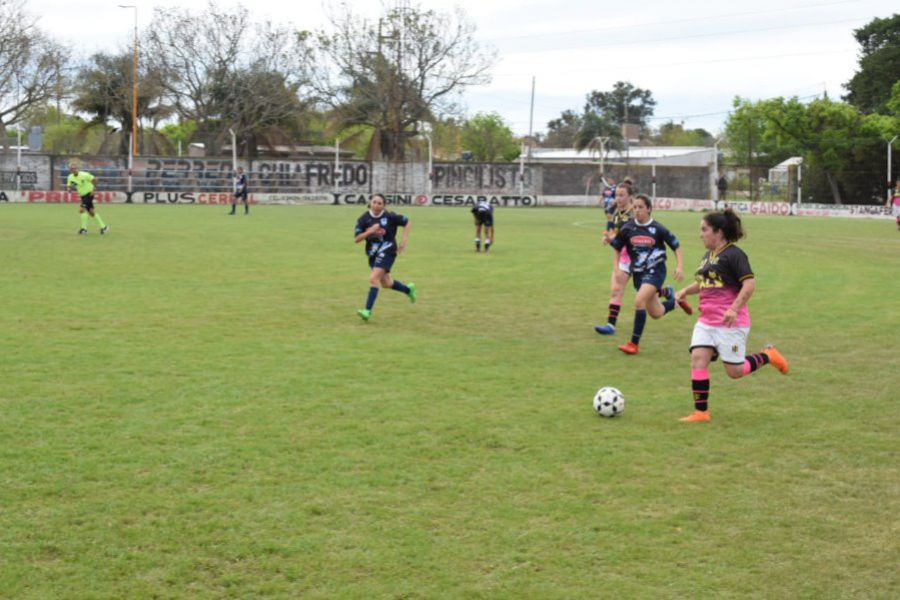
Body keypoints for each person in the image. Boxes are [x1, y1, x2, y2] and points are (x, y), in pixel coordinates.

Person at [674, 209, 789, 423]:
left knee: (735, 371)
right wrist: (684, 292)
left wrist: (734, 308)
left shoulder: (735, 254)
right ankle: (701, 412)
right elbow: (704, 283)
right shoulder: (707, 256)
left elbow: (749, 283)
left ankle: (768, 355)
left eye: (704, 230)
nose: (701, 234)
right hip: (706, 322)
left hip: (731, 325)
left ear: (718, 232)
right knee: (698, 360)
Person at [608, 194, 691, 355]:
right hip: (638, 274)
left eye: (640, 207)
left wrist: (679, 267)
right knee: (656, 312)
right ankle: (677, 301)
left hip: (656, 272)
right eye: (635, 207)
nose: (637, 210)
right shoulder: (627, 228)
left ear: (649, 209)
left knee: (639, 300)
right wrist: (617, 268)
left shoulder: (659, 228)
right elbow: (616, 247)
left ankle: (634, 344)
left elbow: (676, 246)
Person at [354, 194, 417, 321]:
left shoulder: (390, 216)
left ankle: (367, 311)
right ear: (370, 203)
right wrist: (370, 231)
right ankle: (408, 290)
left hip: (388, 250)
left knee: (373, 279)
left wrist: (404, 240)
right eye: (374, 202)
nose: (376, 205)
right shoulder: (363, 219)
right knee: (386, 283)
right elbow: (357, 239)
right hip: (373, 253)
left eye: (379, 203)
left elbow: (407, 221)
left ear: (384, 205)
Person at [594, 182, 635, 336]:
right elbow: (618, 238)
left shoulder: (636, 214)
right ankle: (611, 325)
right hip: (624, 257)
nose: (618, 198)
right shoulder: (618, 214)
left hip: (640, 259)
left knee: (652, 305)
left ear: (630, 196)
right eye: (616, 195)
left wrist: (613, 240)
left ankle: (667, 293)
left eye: (621, 195)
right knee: (616, 290)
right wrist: (610, 239)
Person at [66, 163, 108, 235]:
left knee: (82, 210)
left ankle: (84, 229)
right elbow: (69, 185)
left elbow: (95, 179)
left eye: (75, 168)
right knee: (91, 212)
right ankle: (104, 227)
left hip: (89, 194)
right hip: (82, 195)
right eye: (72, 169)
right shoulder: (70, 177)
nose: (74, 170)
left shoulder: (84, 174)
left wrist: (93, 190)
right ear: (70, 170)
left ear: (77, 168)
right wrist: (69, 189)